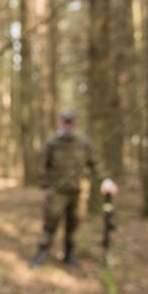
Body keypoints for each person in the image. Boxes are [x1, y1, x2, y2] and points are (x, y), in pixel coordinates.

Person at [30, 110, 118, 268]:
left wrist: (105, 180)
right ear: (60, 122)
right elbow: (41, 163)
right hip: (56, 191)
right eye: (65, 121)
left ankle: (69, 254)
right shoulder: (52, 142)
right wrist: (44, 182)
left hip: (77, 191)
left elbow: (96, 163)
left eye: (70, 121)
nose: (68, 124)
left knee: (73, 223)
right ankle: (42, 252)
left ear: (75, 122)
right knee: (50, 222)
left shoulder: (83, 143)